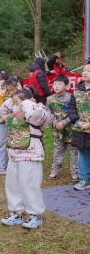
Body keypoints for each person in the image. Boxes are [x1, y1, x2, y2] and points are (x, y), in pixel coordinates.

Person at [0, 86, 52, 229]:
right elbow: (2, 110)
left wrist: (27, 102)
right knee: (12, 185)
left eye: (18, 102)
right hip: (14, 155)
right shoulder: (13, 113)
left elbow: (39, 112)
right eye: (14, 102)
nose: (15, 105)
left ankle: (35, 215)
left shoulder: (36, 114)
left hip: (30, 155)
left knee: (29, 185)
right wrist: (13, 101)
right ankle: (17, 212)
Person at [47, 74, 79, 181]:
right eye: (54, 84)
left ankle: (75, 173)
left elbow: (75, 113)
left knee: (74, 152)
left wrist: (64, 123)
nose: (56, 86)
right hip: (58, 130)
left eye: (59, 84)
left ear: (66, 86)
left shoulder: (71, 98)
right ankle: (54, 171)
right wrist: (56, 122)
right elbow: (49, 113)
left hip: (71, 131)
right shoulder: (50, 99)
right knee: (58, 151)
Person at [68, 62, 90, 192]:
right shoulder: (76, 91)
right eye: (84, 70)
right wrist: (78, 121)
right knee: (83, 154)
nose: (85, 72)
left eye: (89, 70)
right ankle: (85, 179)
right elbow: (71, 108)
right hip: (80, 129)